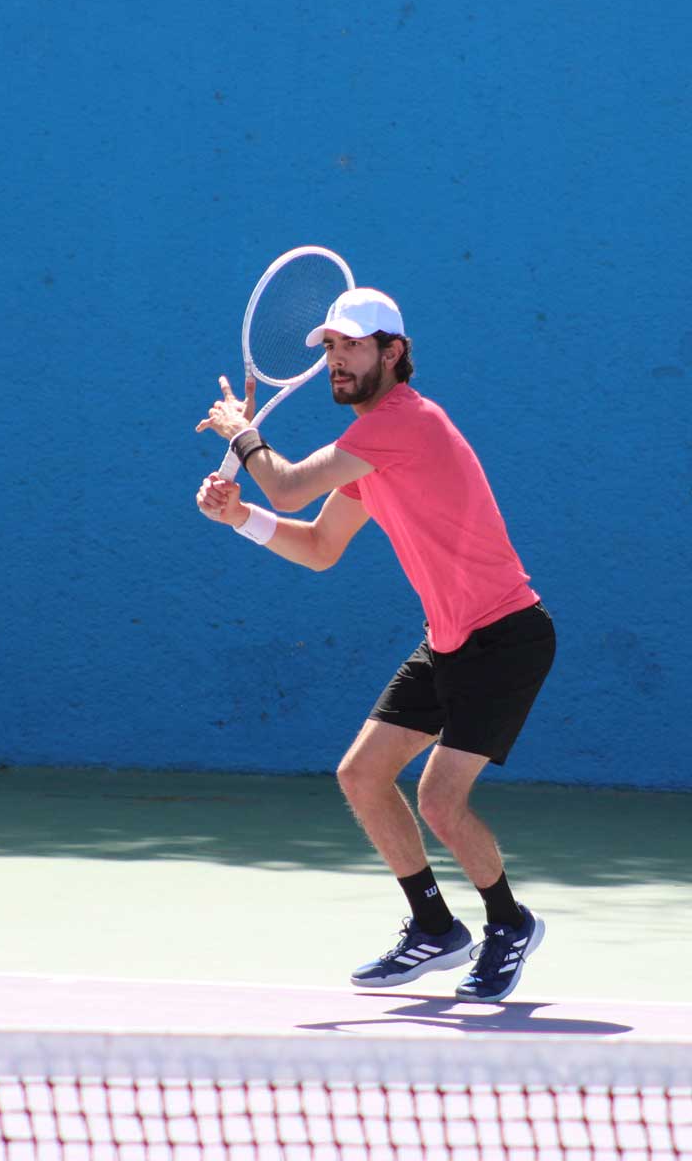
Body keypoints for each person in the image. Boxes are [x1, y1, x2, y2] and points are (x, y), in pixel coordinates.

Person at [193, 286, 556, 1003]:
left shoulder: (405, 424)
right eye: (330, 347)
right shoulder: (372, 453)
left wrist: (242, 434)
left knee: (440, 800)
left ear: (394, 352)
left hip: (508, 637)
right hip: (451, 640)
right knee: (362, 776)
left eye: (352, 346)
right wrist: (241, 519)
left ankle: (510, 924)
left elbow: (290, 486)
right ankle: (434, 928)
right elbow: (322, 546)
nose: (337, 360)